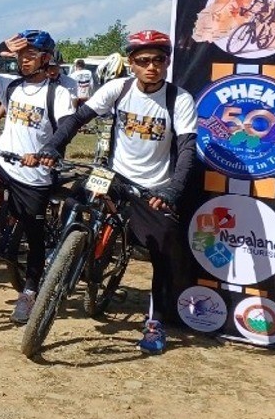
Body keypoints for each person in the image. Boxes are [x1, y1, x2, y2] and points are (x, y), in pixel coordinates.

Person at [39, 30, 196, 355]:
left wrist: (173, 189)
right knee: (74, 197)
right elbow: (78, 119)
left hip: (151, 187)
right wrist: (54, 146)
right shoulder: (118, 89)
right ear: (131, 64)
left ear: (167, 63)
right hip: (112, 175)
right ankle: (60, 258)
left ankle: (155, 320)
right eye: (142, 61)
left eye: (158, 60)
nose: (151, 67)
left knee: (163, 248)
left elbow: (187, 150)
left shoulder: (178, 99)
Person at [0, 29, 75, 325]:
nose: (24, 61)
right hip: (2, 160)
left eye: (30, 56)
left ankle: (29, 290)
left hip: (34, 171)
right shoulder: (11, 86)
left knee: (33, 235)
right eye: (21, 56)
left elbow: (66, 127)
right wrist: (1, 47)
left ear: (46, 59)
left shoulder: (58, 92)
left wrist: (49, 150)